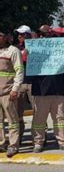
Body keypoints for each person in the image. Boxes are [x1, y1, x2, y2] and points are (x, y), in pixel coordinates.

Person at [31, 25, 64, 152]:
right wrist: (27, 53)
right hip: (40, 90)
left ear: (51, 34)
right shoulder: (34, 49)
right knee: (39, 118)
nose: (42, 36)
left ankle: (63, 141)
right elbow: (26, 64)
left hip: (58, 89)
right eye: (40, 34)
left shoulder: (60, 48)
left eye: (45, 34)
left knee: (60, 118)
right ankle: (38, 142)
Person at [0, 29, 24, 158]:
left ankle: (13, 145)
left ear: (6, 37)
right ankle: (1, 143)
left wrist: (15, 89)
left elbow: (19, 71)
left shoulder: (13, 51)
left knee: (12, 121)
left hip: (8, 93)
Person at [13, 25, 34, 143]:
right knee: (17, 112)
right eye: (19, 34)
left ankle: (39, 137)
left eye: (22, 34)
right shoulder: (15, 48)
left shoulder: (36, 48)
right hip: (20, 84)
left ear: (29, 35)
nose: (20, 36)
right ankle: (19, 136)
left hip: (33, 84)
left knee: (38, 111)